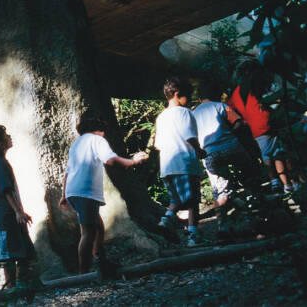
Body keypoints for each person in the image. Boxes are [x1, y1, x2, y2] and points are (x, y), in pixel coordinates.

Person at [59, 115, 148, 275]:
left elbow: (67, 172)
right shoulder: (96, 140)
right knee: (88, 232)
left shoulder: (76, 144)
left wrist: (64, 194)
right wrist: (133, 161)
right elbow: (111, 160)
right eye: (103, 131)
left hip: (74, 191)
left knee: (98, 227)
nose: (104, 135)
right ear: (98, 130)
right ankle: (83, 274)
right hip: (85, 192)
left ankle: (102, 261)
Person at [192, 80, 267, 237]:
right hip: (232, 146)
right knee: (249, 177)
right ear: (217, 95)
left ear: (200, 97)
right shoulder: (221, 106)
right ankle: (259, 218)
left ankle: (223, 227)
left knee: (220, 190)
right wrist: (232, 133)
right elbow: (239, 123)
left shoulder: (193, 113)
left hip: (210, 153)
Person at [0, 125, 40, 294]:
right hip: (5, 217)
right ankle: (12, 290)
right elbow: (6, 190)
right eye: (6, 135)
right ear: (0, 144)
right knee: (10, 257)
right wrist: (18, 212)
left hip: (10, 215)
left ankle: (21, 289)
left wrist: (20, 211)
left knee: (22, 254)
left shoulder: (1, 162)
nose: (10, 136)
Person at [228, 60, 300, 193]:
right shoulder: (259, 83)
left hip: (255, 128)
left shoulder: (237, 92)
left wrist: (240, 121)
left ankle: (276, 182)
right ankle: (293, 183)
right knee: (281, 153)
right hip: (271, 121)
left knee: (267, 156)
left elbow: (230, 109)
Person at [154, 77, 207, 246]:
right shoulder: (185, 113)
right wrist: (199, 151)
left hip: (167, 165)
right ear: (177, 95)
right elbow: (189, 135)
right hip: (185, 162)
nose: (189, 100)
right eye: (187, 96)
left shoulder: (161, 117)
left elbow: (158, 145)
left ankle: (166, 219)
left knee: (175, 199)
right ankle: (193, 236)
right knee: (193, 202)